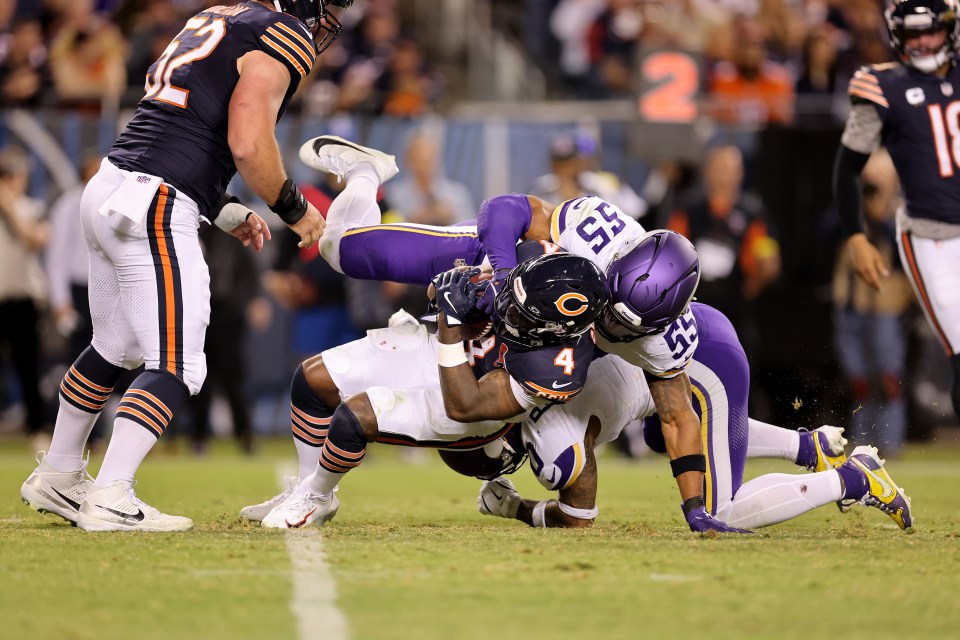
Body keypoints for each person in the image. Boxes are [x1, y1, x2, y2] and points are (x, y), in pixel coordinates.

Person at [259, 135, 738, 532]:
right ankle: (366, 173)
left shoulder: (658, 340)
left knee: (525, 439)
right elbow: (505, 209)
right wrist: (505, 279)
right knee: (338, 249)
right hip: (492, 262)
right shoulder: (598, 231)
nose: (609, 323)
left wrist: (695, 509)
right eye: (610, 309)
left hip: (510, 351)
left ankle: (496, 459)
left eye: (624, 325)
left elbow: (677, 417)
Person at [20, 0, 351, 533]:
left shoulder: (219, 16)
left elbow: (182, 123)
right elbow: (247, 143)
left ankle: (59, 471)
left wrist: (218, 206)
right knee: (179, 363)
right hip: (154, 201)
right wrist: (296, 209)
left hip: (112, 185)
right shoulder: (281, 31)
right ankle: (111, 494)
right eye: (329, 7)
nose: (330, 22)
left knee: (115, 348)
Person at [470, 302, 913, 532]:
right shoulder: (521, 368)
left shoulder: (553, 454)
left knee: (724, 512)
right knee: (661, 436)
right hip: (693, 325)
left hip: (695, 366)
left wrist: (515, 508)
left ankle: (855, 478)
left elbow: (577, 517)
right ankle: (805, 447)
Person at [247, 248, 608, 529]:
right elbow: (443, 289)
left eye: (522, 316)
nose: (508, 312)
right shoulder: (531, 273)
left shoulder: (554, 369)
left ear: (556, 331)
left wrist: (451, 323)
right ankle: (304, 486)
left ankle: (317, 496)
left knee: (355, 416)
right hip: (442, 348)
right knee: (311, 379)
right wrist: (450, 289)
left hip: (470, 407)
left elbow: (465, 404)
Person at [833, 0, 960, 424]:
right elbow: (847, 168)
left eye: (932, 31)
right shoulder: (883, 84)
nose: (924, 41)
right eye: (913, 34)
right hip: (933, 233)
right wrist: (856, 236)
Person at [0, 146, 49, 450]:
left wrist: (9, 206)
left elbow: (36, 239)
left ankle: (36, 431)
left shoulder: (30, 207)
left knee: (28, 367)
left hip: (22, 300)